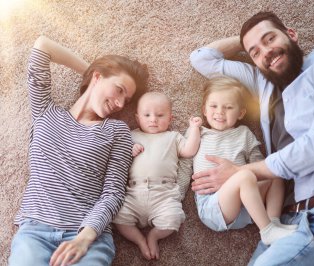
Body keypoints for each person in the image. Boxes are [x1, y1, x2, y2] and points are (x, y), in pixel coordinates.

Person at [190, 11, 314, 266]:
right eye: (255, 52)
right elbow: (202, 58)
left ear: (291, 35)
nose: (265, 52)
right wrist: (247, 40)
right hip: (285, 220)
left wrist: (241, 172)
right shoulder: (262, 83)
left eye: (270, 39)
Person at [8, 36, 148, 266]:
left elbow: (113, 193)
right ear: (98, 77)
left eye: (127, 99)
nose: (121, 104)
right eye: (119, 90)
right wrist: (91, 70)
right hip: (35, 232)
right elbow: (43, 45)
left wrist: (85, 238)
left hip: (87, 236)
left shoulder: (116, 131)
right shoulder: (45, 111)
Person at [187, 76, 297, 245]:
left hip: (249, 206)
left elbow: (259, 166)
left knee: (274, 170)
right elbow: (187, 153)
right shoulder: (200, 133)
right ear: (204, 110)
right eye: (213, 106)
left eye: (228, 107)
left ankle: (272, 222)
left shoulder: (244, 133)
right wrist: (193, 128)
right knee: (245, 176)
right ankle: (267, 231)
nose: (220, 112)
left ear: (241, 113)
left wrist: (240, 172)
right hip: (213, 206)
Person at [113, 91, 202, 260]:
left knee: (174, 218)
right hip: (133, 192)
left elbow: (190, 150)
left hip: (163, 193)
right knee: (118, 217)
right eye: (147, 115)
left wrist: (195, 129)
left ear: (170, 119)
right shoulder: (131, 135)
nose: (153, 119)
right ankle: (139, 239)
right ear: (138, 118)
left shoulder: (173, 137)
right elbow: (117, 157)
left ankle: (154, 236)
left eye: (160, 115)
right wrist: (129, 150)